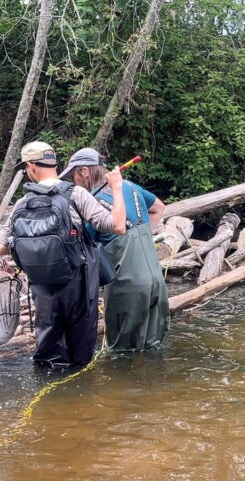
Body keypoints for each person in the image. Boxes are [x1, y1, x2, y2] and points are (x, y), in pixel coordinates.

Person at [0, 141, 127, 370]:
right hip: (78, 284)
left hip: (42, 287)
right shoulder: (76, 194)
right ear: (54, 163)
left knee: (48, 351)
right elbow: (117, 226)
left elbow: (1, 248)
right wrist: (116, 187)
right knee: (79, 354)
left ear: (30, 166)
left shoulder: (22, 203)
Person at [59, 147, 170, 350]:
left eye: (73, 175)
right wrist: (142, 238)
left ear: (84, 171)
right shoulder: (130, 186)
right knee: (153, 348)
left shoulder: (90, 204)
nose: (74, 182)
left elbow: (86, 251)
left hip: (126, 288)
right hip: (156, 281)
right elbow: (159, 207)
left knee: (122, 355)